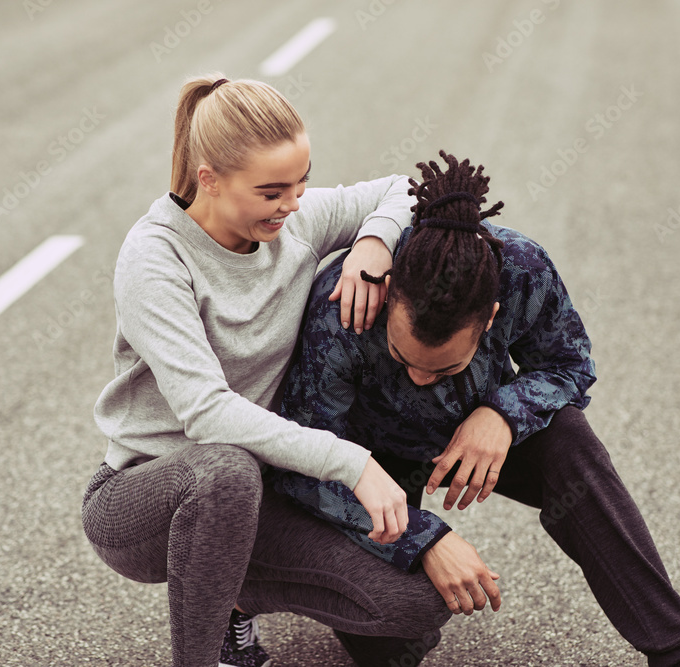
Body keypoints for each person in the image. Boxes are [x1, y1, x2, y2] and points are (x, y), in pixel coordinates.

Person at [270, 151, 680, 666]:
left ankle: (677, 655)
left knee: (572, 445)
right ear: (389, 297)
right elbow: (305, 462)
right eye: (402, 357)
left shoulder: (522, 270)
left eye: (442, 369)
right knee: (391, 641)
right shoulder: (344, 308)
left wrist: (504, 413)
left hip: (478, 428)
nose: (419, 377)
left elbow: (569, 365)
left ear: (490, 320)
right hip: (373, 465)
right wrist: (424, 538)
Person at [80, 74, 451, 667]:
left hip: (258, 493)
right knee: (223, 470)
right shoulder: (154, 257)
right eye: (273, 191)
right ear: (210, 179)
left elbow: (406, 188)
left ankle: (230, 597)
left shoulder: (291, 224)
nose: (294, 203)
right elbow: (205, 414)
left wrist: (373, 245)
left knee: (415, 605)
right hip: (145, 500)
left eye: (302, 182)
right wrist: (352, 463)